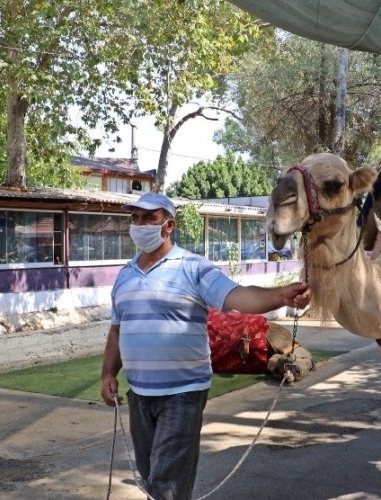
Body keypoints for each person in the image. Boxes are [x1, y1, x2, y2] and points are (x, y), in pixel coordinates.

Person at [100, 192, 311, 500]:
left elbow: (239, 296)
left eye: (149, 218)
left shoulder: (193, 267)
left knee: (167, 485)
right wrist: (108, 373)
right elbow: (118, 330)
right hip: (139, 394)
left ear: (168, 225)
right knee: (150, 478)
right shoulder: (125, 275)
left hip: (182, 393)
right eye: (135, 218)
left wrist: (281, 295)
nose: (139, 224)